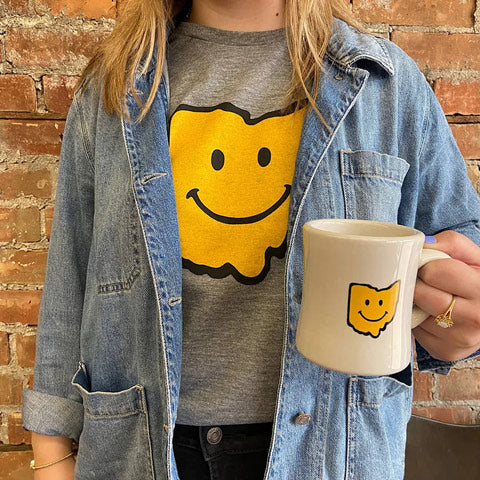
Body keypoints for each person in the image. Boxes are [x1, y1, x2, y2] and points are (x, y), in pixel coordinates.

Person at [22, 0, 480, 479]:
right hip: (141, 455)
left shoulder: (387, 86)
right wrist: (51, 456)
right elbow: (70, 279)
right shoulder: (112, 87)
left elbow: (460, 243)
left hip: (333, 455)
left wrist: (454, 317)